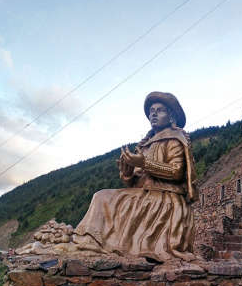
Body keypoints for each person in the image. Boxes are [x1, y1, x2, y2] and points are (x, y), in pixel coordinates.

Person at [69, 92, 198, 261]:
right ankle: (91, 241)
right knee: (101, 195)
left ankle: (97, 243)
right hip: (145, 194)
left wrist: (145, 163)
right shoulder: (146, 144)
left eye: (160, 110)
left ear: (171, 116)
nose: (153, 114)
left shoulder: (175, 140)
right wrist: (128, 170)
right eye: (152, 111)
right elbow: (134, 181)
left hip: (165, 197)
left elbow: (176, 171)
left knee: (104, 198)